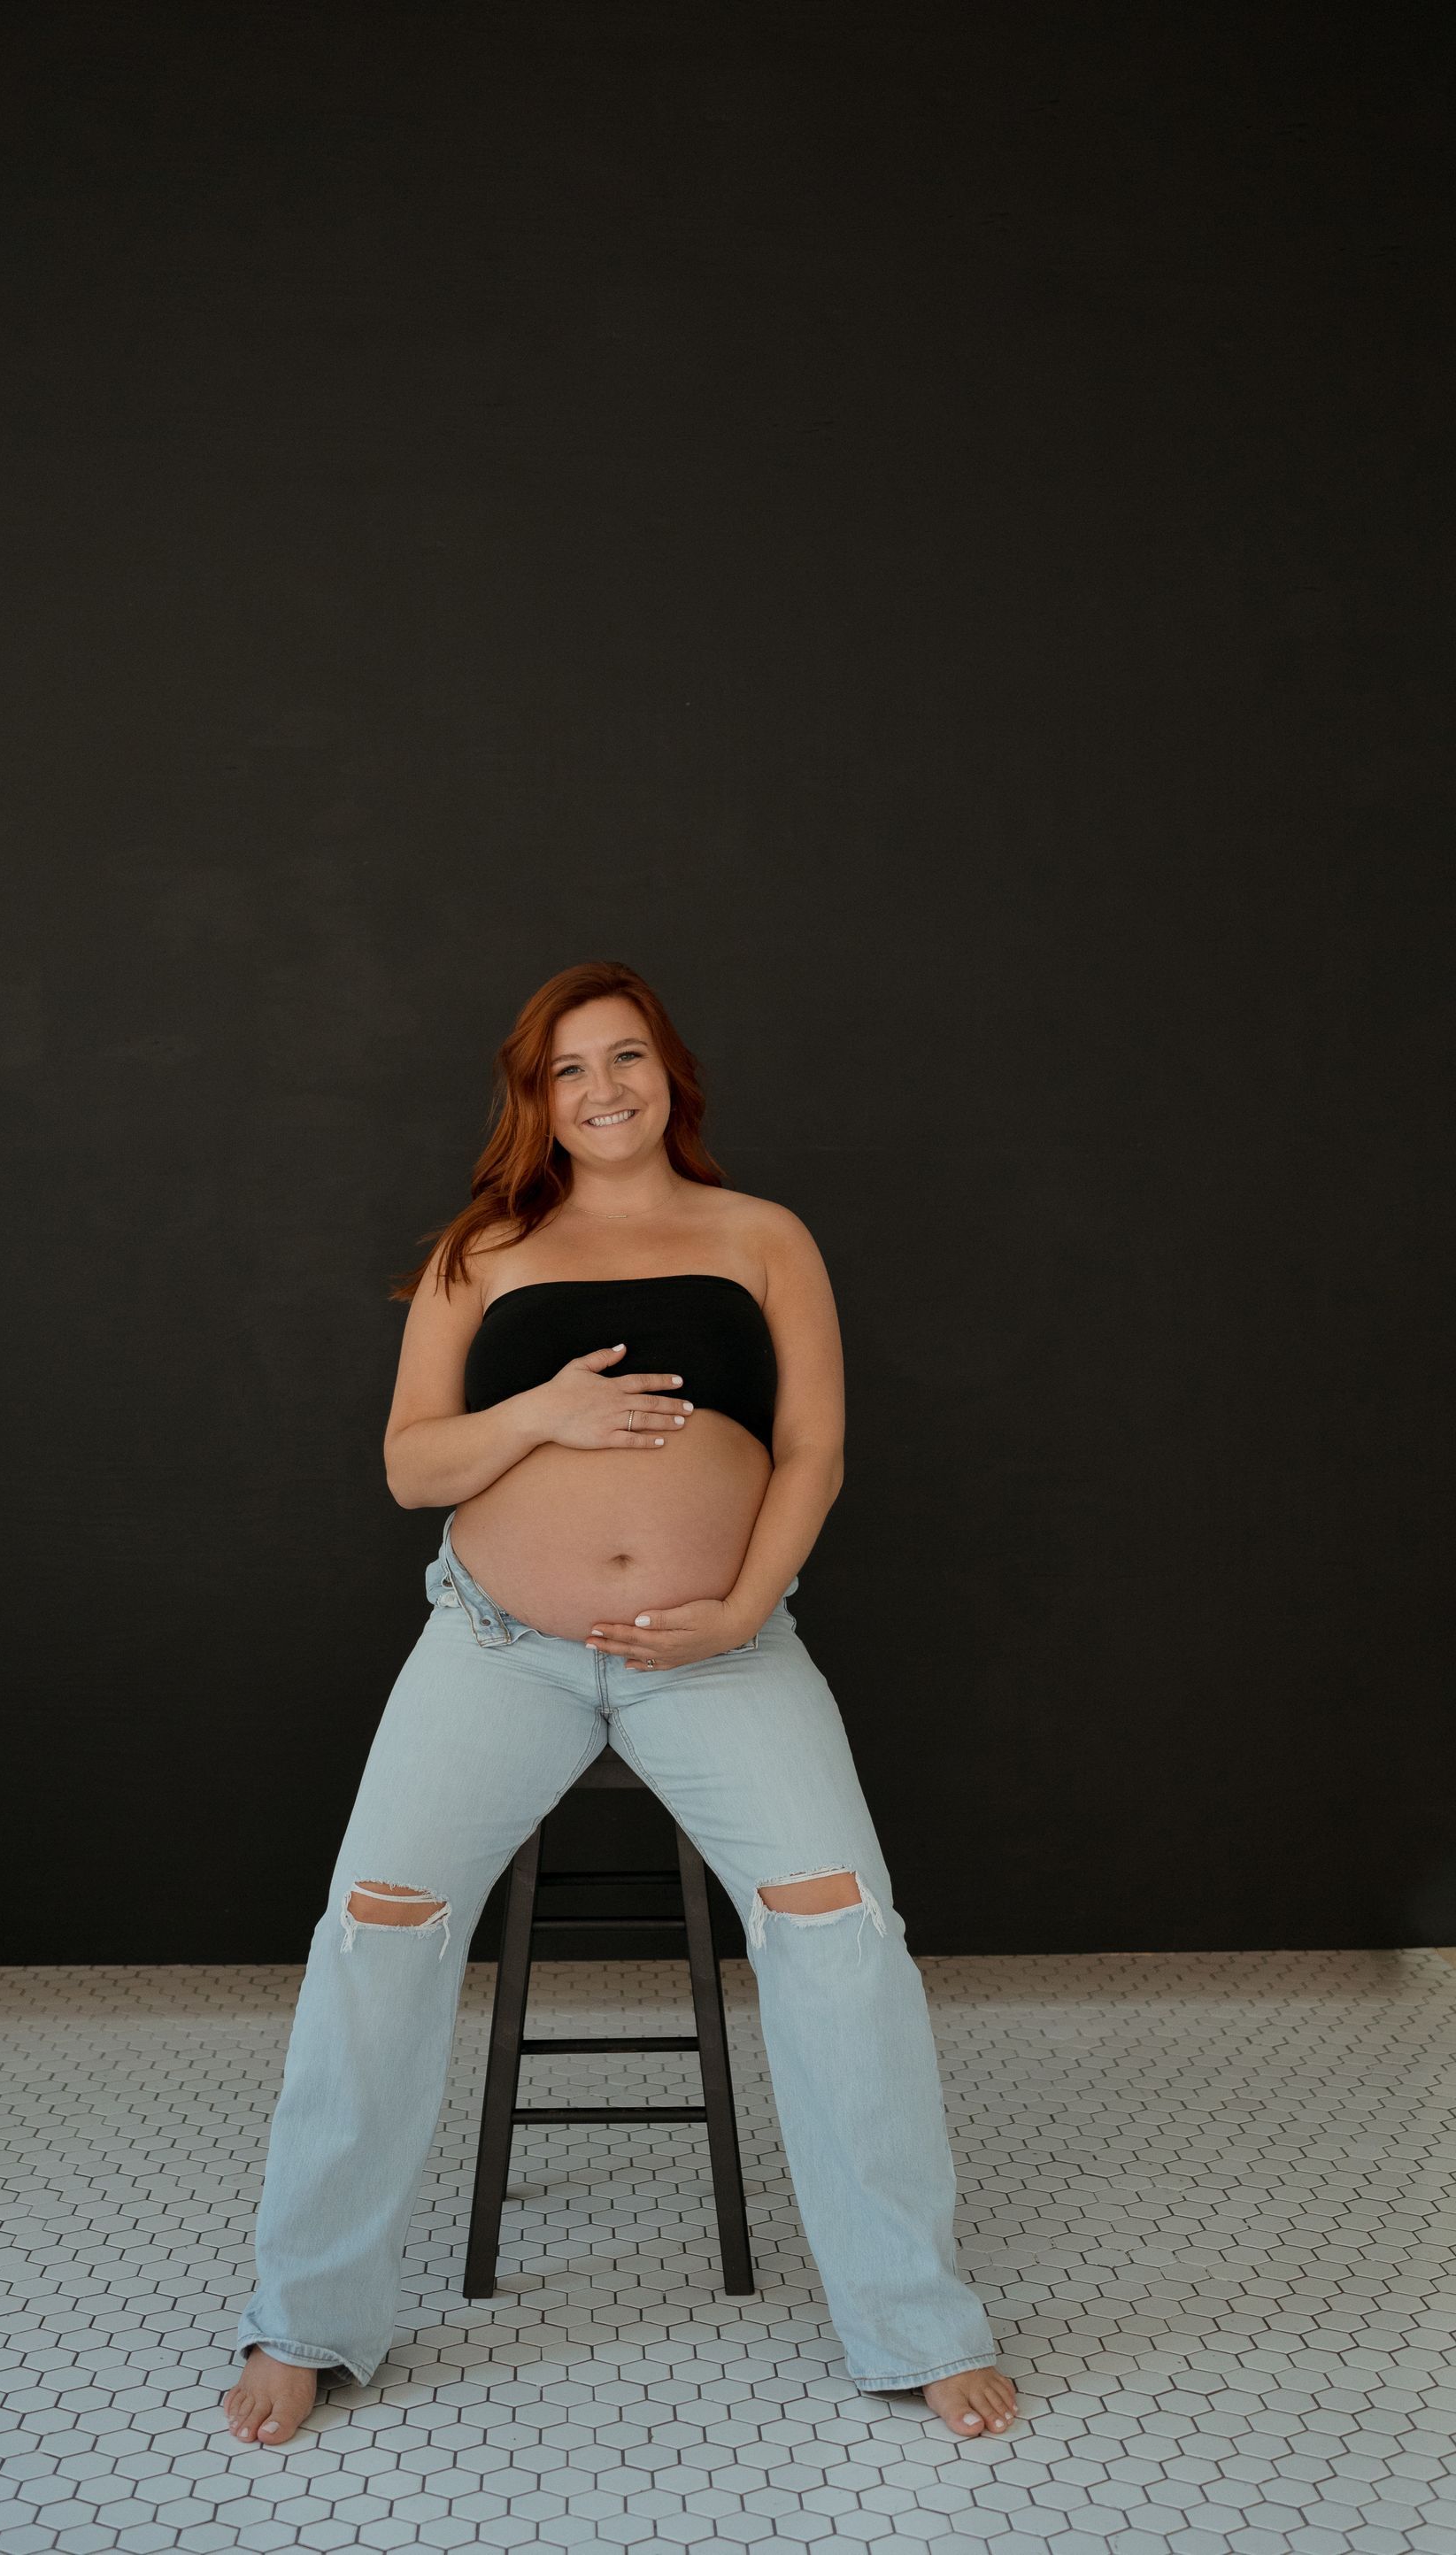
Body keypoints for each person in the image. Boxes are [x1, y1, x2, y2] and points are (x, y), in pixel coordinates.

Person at [224, 959, 1018, 2448]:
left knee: (841, 1927)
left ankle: (916, 2316)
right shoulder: (483, 1249)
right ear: (535, 1100)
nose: (603, 1089)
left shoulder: (762, 1235)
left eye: (626, 1058)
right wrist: (544, 1413)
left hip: (722, 1644)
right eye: (568, 1070)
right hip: (496, 1645)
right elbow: (412, 1466)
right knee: (375, 1928)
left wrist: (738, 1603)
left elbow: (814, 1454)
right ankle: (307, 2314)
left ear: (672, 1076)